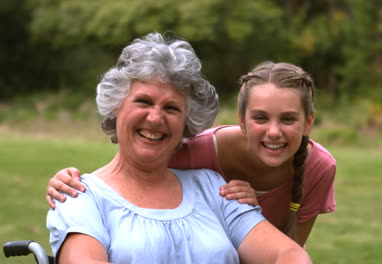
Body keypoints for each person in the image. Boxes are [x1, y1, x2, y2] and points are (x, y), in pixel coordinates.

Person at [46, 32, 311, 264]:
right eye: (143, 102)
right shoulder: (79, 195)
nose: (155, 118)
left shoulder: (213, 188)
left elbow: (289, 254)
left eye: (171, 108)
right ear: (117, 106)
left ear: (187, 120)